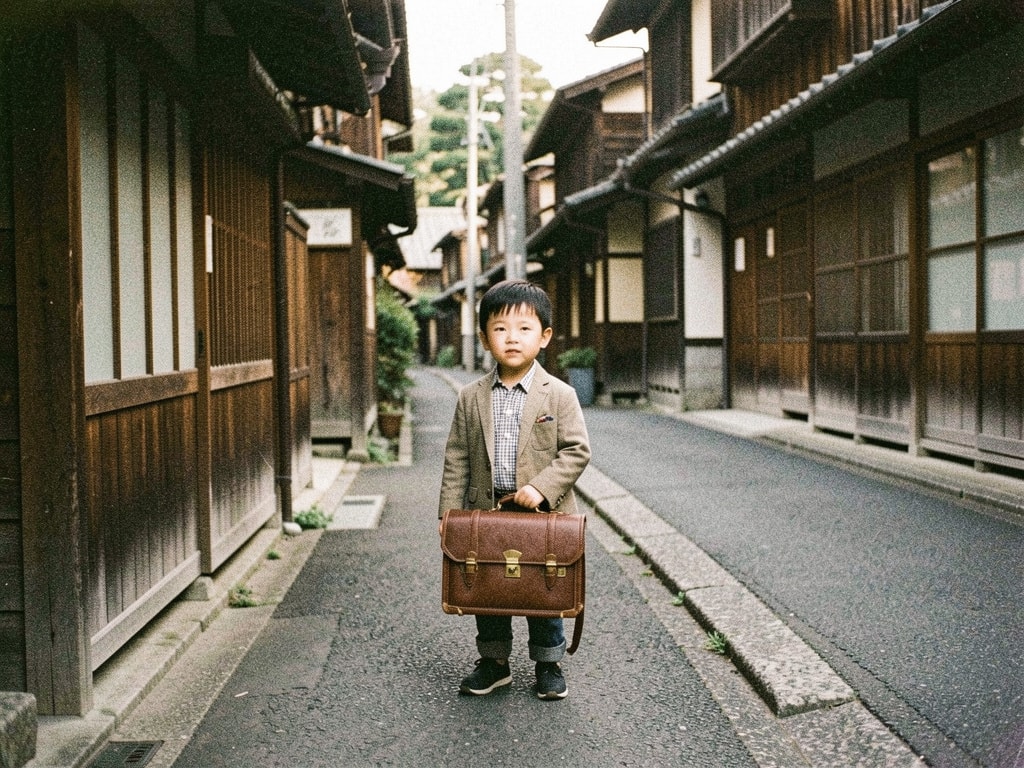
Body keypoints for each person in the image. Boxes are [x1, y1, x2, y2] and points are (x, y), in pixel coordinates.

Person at [438, 279, 591, 700]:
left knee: (544, 586)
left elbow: (577, 451)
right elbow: (457, 458)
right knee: (488, 587)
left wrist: (542, 488)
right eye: (500, 328)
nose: (512, 338)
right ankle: (494, 661)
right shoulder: (471, 397)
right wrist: (448, 517)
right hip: (485, 510)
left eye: (524, 329)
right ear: (485, 336)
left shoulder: (559, 394)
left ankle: (548, 662)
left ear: (544, 337)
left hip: (543, 514)